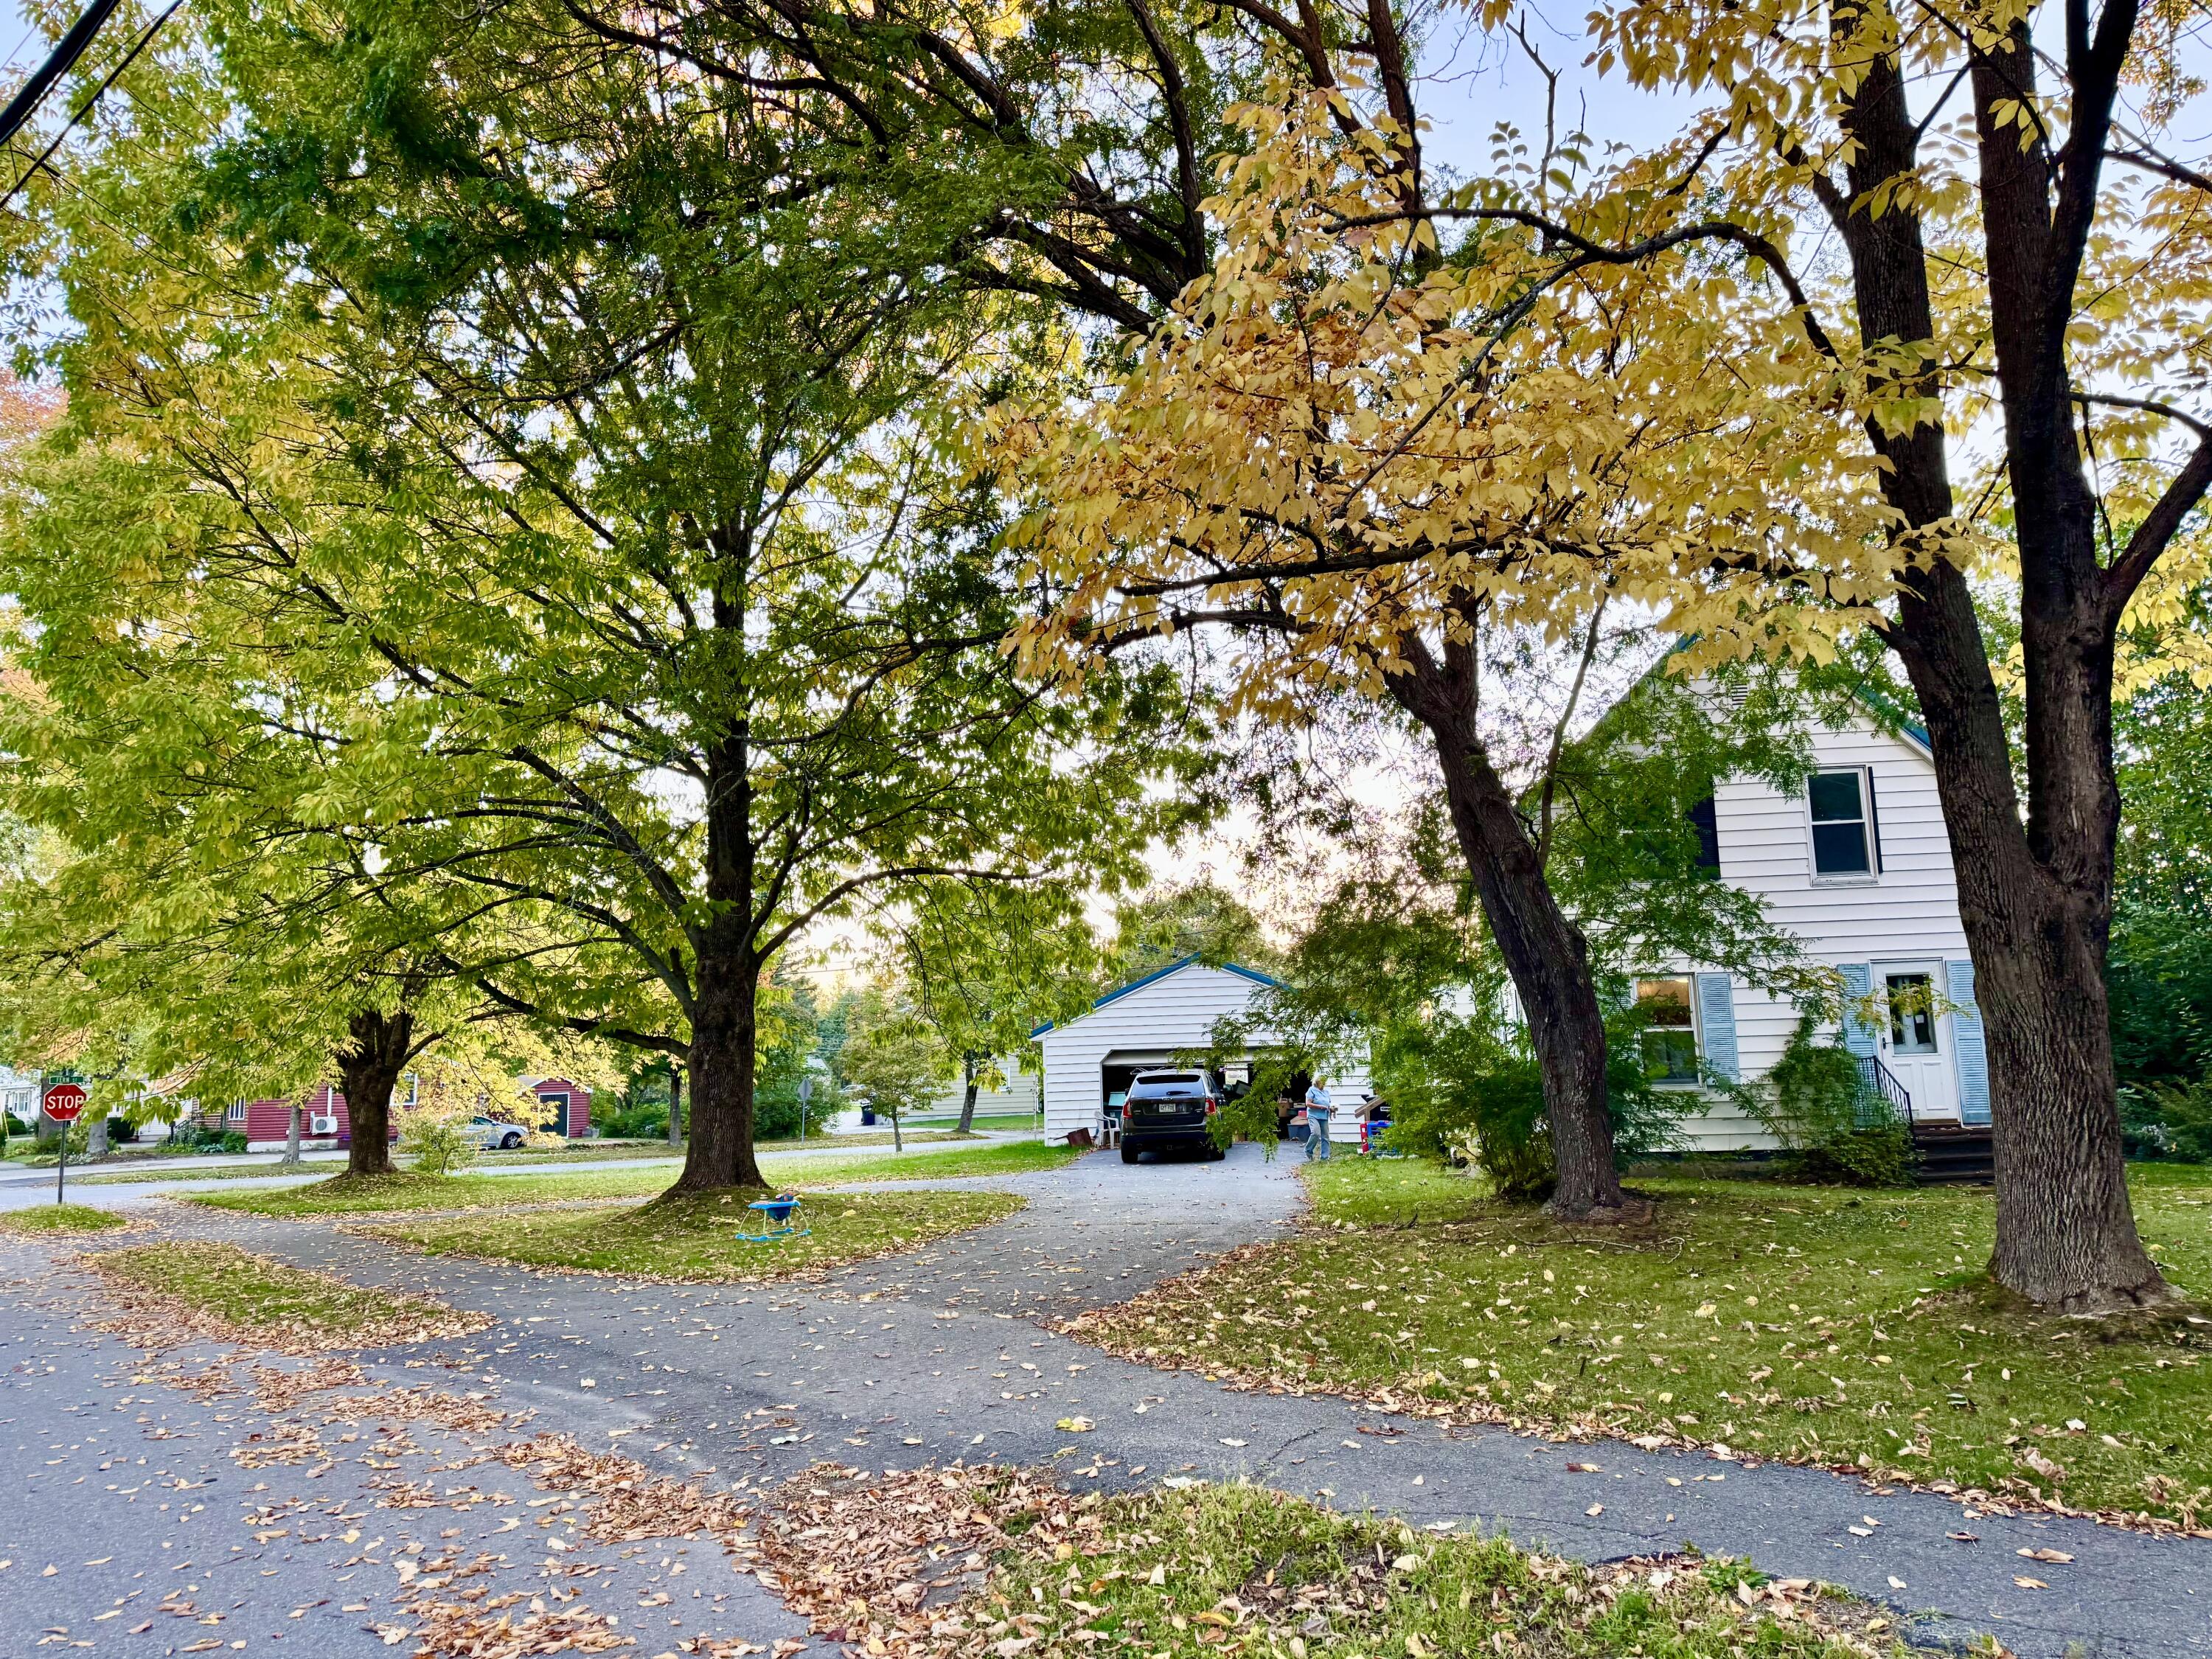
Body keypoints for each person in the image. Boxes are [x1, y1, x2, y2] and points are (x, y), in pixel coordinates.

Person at [1302, 1082, 1333, 1161]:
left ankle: (1325, 1158)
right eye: (1321, 1082)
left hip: (1324, 1117)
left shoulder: (1326, 1092)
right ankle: (1308, 1151)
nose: (1323, 1083)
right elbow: (1308, 1103)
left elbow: (1328, 1104)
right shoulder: (1311, 1090)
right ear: (1317, 1083)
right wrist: (1321, 1107)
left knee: (1325, 1137)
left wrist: (1332, 1108)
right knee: (1316, 1133)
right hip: (1313, 1116)